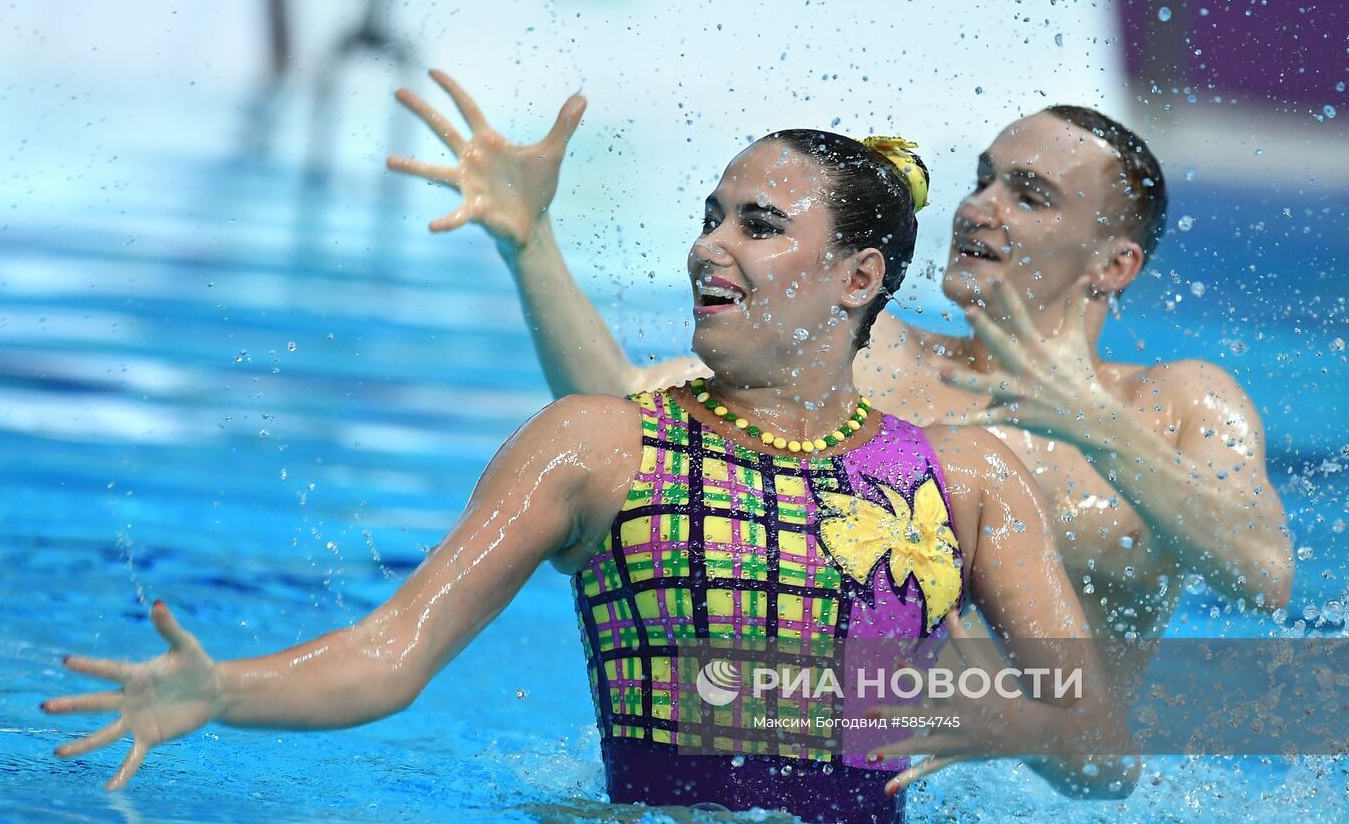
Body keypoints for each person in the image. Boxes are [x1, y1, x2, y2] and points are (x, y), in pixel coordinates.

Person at [44, 116, 1131, 824]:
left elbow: (1105, 756)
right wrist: (222, 687)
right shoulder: (597, 445)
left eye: (756, 225)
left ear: (855, 279)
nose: (709, 247)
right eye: (708, 216)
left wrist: (1018, 725)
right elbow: (390, 654)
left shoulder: (964, 476)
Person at [385, 76, 1294, 690]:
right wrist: (530, 240)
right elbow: (632, 411)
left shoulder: (1179, 400)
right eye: (982, 182)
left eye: (1030, 195)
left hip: (1053, 804)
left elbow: (1263, 575)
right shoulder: (881, 356)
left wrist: (1092, 423)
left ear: (1115, 263)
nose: (978, 208)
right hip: (867, 783)